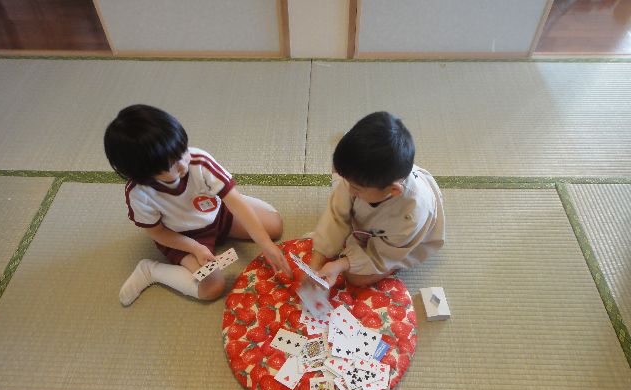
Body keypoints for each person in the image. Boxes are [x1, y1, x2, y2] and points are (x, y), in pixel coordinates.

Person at [104, 104, 291, 306]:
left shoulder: (198, 161)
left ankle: (223, 190)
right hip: (182, 237)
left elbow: (236, 204)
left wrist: (266, 245)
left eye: (181, 151)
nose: (183, 164)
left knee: (274, 226)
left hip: (218, 215)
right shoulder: (139, 193)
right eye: (171, 165)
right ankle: (151, 271)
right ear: (144, 173)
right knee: (213, 287)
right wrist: (195, 248)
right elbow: (158, 233)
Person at [309, 111, 445, 287]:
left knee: (356, 278)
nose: (348, 189)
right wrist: (315, 262)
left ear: (393, 190)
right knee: (343, 174)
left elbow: (385, 253)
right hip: (376, 190)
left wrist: (341, 264)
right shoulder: (362, 180)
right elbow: (336, 215)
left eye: (356, 188)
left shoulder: (412, 214)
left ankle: (391, 268)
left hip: (401, 243)